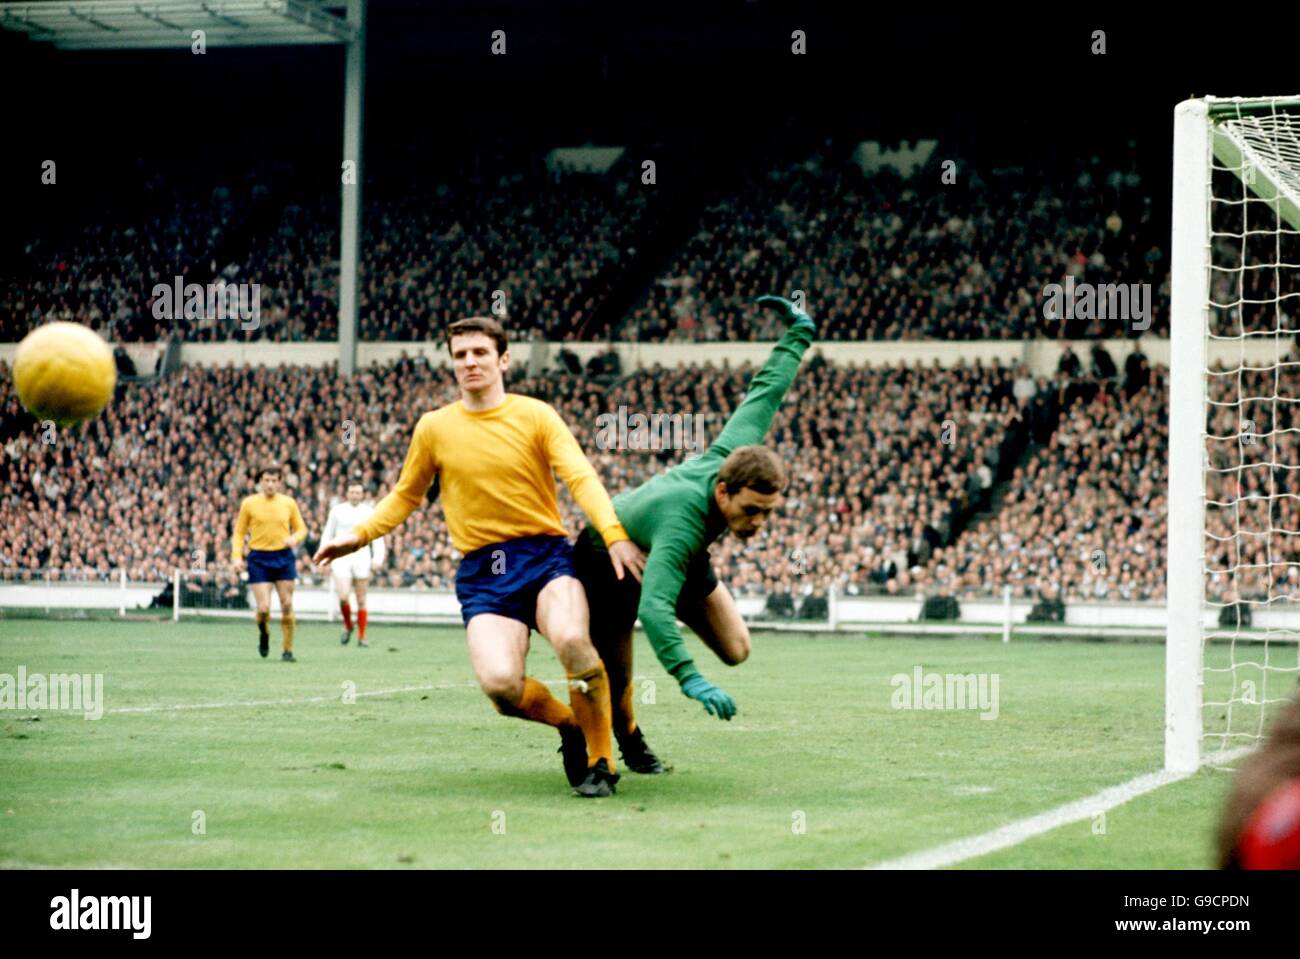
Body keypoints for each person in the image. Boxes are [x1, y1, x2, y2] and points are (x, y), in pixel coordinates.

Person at [314, 316, 645, 798]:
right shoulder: (434, 428)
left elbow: (580, 477)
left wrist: (613, 533)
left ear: (503, 359)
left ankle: (601, 761)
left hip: (546, 556)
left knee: (574, 638)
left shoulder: (536, 415)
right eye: (460, 355)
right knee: (501, 687)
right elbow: (407, 495)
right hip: (483, 572)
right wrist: (359, 535)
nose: (469, 362)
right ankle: (571, 725)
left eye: (479, 353)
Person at [571, 295, 814, 774]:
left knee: (736, 649)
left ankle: (626, 733)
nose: (758, 523)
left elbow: (764, 395)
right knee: (615, 678)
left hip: (673, 550)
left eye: (767, 513)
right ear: (723, 492)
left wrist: (798, 335)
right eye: (750, 511)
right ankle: (630, 742)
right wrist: (690, 678)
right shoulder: (683, 522)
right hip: (608, 559)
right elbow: (654, 609)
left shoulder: (732, 455)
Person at [231, 464, 308, 661]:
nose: (270, 484)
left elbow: (301, 529)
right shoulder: (249, 503)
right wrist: (237, 557)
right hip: (259, 558)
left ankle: (287, 650)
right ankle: (264, 634)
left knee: (287, 604)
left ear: (280, 482)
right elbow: (240, 532)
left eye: (274, 481)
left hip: (283, 557)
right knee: (264, 608)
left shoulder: (288, 503)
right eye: (266, 480)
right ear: (260, 482)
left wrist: (295, 539)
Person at [322, 480, 385, 648]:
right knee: (343, 596)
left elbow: (377, 536)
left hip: (362, 556)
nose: (355, 495)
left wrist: (377, 558)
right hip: (341, 557)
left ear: (362, 494)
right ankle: (349, 625)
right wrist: (324, 557)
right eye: (352, 492)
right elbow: (327, 534)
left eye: (358, 492)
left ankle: (361, 637)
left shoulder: (369, 512)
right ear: (347, 493)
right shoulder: (337, 511)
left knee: (361, 598)